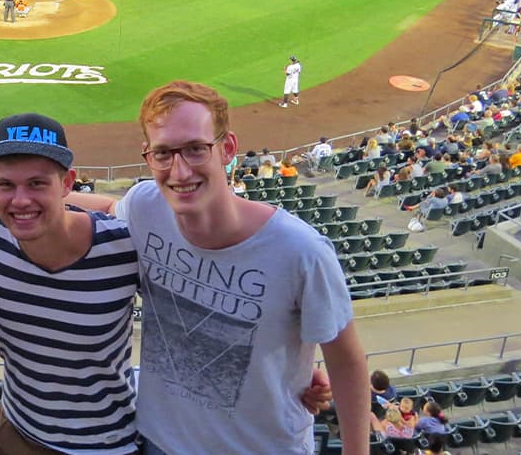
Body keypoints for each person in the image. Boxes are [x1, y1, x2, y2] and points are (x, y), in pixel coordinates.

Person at [99, 81, 368, 454]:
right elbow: (103, 209)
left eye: (195, 149)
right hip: (158, 442)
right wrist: (21, 199)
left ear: (226, 149)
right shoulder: (145, 206)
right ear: (148, 157)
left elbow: (347, 364)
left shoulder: (301, 251)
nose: (179, 171)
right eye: (163, 153)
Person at [0, 112, 141, 454]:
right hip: (14, 434)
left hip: (103, 445)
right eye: (5, 185)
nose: (20, 200)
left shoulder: (126, 245)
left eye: (37, 183)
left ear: (68, 183)